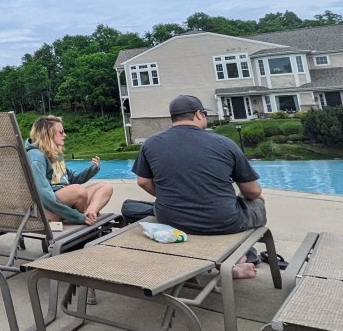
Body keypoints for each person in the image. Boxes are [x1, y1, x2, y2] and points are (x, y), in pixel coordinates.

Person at [132, 95, 266, 279]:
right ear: (198, 114)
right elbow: (253, 191)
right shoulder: (224, 143)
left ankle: (237, 257)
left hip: (172, 219)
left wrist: (170, 195)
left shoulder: (151, 143)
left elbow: (143, 181)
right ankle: (241, 254)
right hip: (223, 221)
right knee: (257, 202)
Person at [25, 115, 113, 225]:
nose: (65, 135)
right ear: (49, 134)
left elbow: (71, 179)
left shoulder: (55, 153)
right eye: (61, 132)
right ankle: (82, 216)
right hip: (48, 210)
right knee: (78, 190)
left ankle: (89, 215)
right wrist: (76, 216)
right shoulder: (36, 157)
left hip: (65, 203)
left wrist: (92, 169)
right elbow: (43, 195)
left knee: (105, 186)